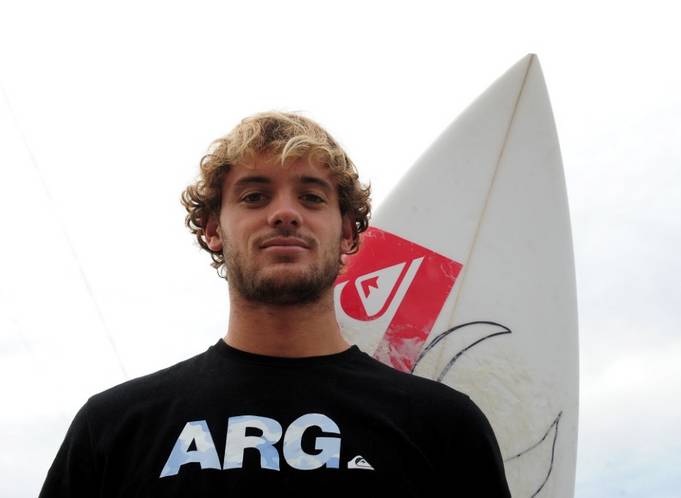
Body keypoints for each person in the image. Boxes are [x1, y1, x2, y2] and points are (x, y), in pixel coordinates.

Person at [39, 112, 512, 497]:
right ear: (213, 229)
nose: (284, 213)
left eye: (311, 197)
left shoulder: (444, 428)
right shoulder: (115, 429)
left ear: (348, 232)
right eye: (254, 196)